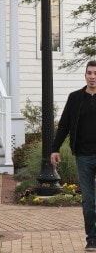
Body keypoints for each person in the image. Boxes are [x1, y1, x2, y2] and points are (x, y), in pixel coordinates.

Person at [51, 59, 96, 251]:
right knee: (88, 200)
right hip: (83, 157)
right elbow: (64, 126)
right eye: (89, 73)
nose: (93, 77)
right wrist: (55, 148)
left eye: (95, 73)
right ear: (85, 75)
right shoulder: (75, 98)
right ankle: (92, 239)